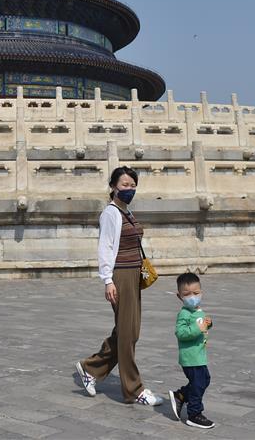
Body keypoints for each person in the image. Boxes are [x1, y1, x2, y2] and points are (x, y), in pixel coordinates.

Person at [75, 166, 163, 406]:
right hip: (120, 275)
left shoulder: (127, 212)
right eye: (125, 185)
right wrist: (108, 280)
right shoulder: (111, 213)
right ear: (113, 186)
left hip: (134, 275)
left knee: (129, 331)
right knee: (127, 333)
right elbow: (105, 247)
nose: (129, 189)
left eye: (133, 185)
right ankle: (134, 389)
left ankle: (90, 368)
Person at [168, 272, 215, 429]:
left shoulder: (198, 310)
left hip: (199, 355)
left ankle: (181, 395)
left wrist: (208, 323)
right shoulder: (184, 313)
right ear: (179, 296)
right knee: (198, 383)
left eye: (196, 293)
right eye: (187, 294)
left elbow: (202, 325)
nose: (192, 297)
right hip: (190, 357)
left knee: (204, 380)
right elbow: (180, 333)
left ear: (201, 293)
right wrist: (198, 328)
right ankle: (194, 414)